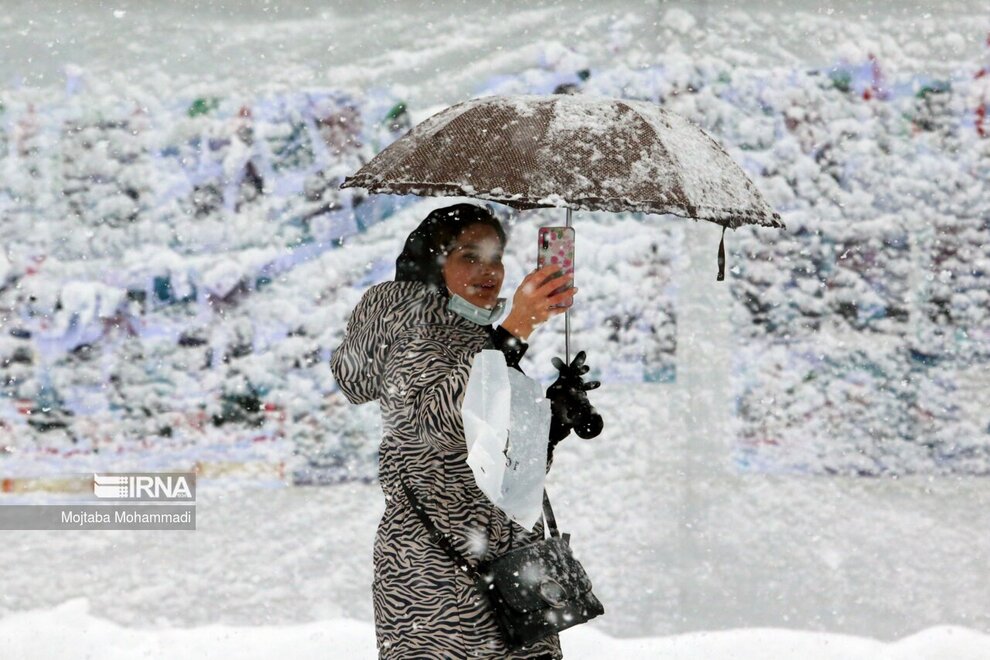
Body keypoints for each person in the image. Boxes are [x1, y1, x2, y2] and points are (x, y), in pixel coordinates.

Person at [331, 203, 601, 659]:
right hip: (437, 575)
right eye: (469, 257)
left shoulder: (473, 334)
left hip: (506, 573)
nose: (489, 271)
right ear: (434, 262)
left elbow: (495, 462)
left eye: (495, 258)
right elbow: (437, 421)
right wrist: (514, 332)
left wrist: (554, 420)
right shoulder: (413, 323)